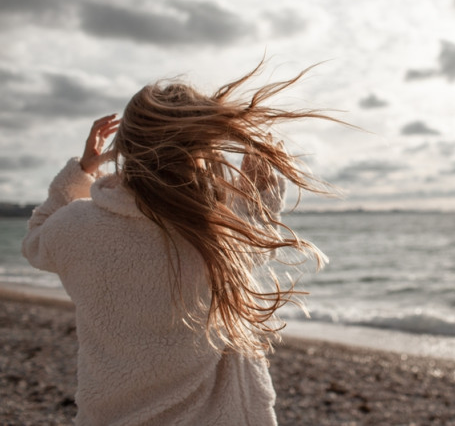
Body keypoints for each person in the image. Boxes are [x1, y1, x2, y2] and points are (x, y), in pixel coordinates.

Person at [22, 66, 331, 425]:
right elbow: (256, 232)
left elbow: (35, 240)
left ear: (124, 147)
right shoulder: (217, 228)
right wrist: (262, 188)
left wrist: (82, 171)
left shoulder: (75, 226)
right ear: (202, 148)